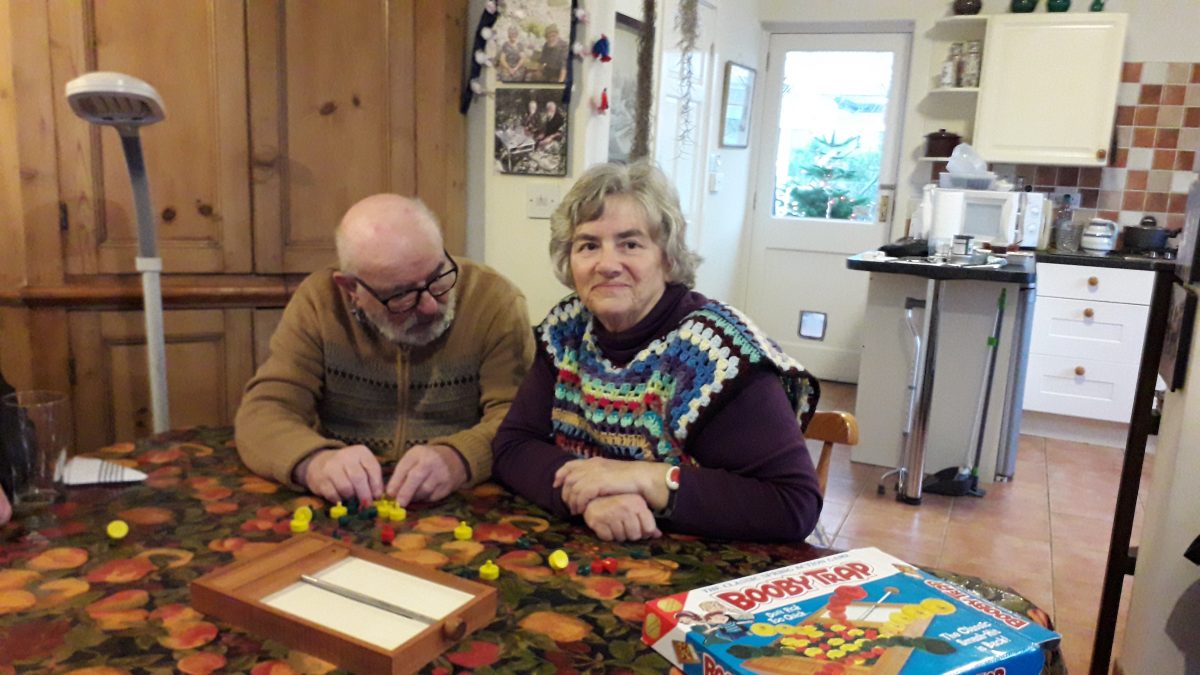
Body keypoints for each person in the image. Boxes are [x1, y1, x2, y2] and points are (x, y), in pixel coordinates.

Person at [492, 162, 823, 543]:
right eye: (588, 246)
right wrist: (589, 498)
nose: (607, 265)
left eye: (630, 244)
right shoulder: (566, 330)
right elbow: (513, 445)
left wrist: (645, 479)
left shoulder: (717, 352)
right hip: (595, 553)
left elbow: (792, 505)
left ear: (667, 258)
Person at [236, 195, 535, 508]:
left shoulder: (494, 300)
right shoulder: (319, 302)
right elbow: (264, 412)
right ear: (351, 289)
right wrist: (315, 462)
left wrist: (459, 458)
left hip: (464, 497)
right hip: (350, 499)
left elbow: (520, 418)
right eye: (401, 295)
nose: (429, 305)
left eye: (438, 277)